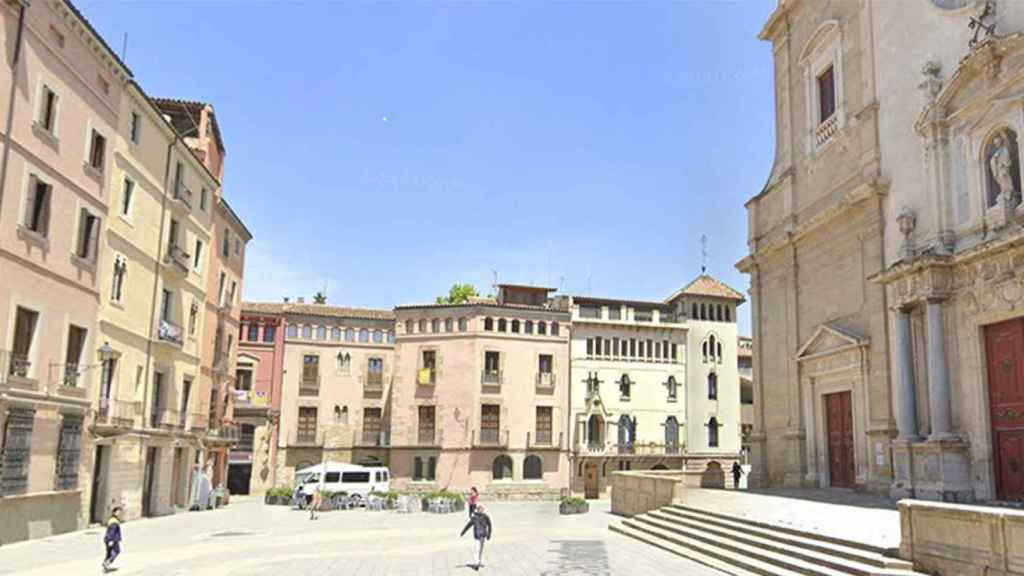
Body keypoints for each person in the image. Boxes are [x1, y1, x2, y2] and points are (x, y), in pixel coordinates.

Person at [460, 504, 492, 571]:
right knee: (477, 549)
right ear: (478, 510)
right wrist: (463, 532)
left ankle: (479, 561)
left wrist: (489, 534)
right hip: (477, 536)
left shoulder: (486, 517)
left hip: (483, 535)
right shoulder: (474, 518)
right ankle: (476, 563)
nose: (481, 511)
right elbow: (468, 525)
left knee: (481, 550)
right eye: (480, 509)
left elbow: (490, 526)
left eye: (482, 509)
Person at [102, 507, 123, 573]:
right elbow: (112, 531)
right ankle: (107, 562)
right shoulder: (114, 521)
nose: (119, 513)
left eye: (120, 512)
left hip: (108, 539)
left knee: (108, 552)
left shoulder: (112, 519)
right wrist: (111, 540)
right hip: (113, 539)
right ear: (114, 512)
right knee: (117, 551)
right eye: (118, 512)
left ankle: (105, 563)